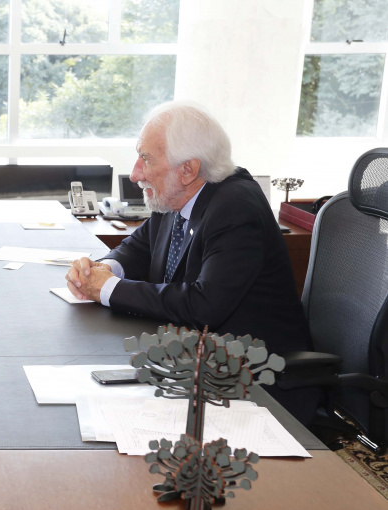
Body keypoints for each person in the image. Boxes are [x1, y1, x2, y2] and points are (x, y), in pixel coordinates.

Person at [65, 101, 317, 423]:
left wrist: (107, 289)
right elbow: (137, 248)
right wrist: (101, 269)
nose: (135, 173)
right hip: (193, 355)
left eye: (146, 158)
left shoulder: (235, 208)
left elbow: (204, 305)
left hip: (253, 377)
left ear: (188, 169)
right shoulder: (176, 195)